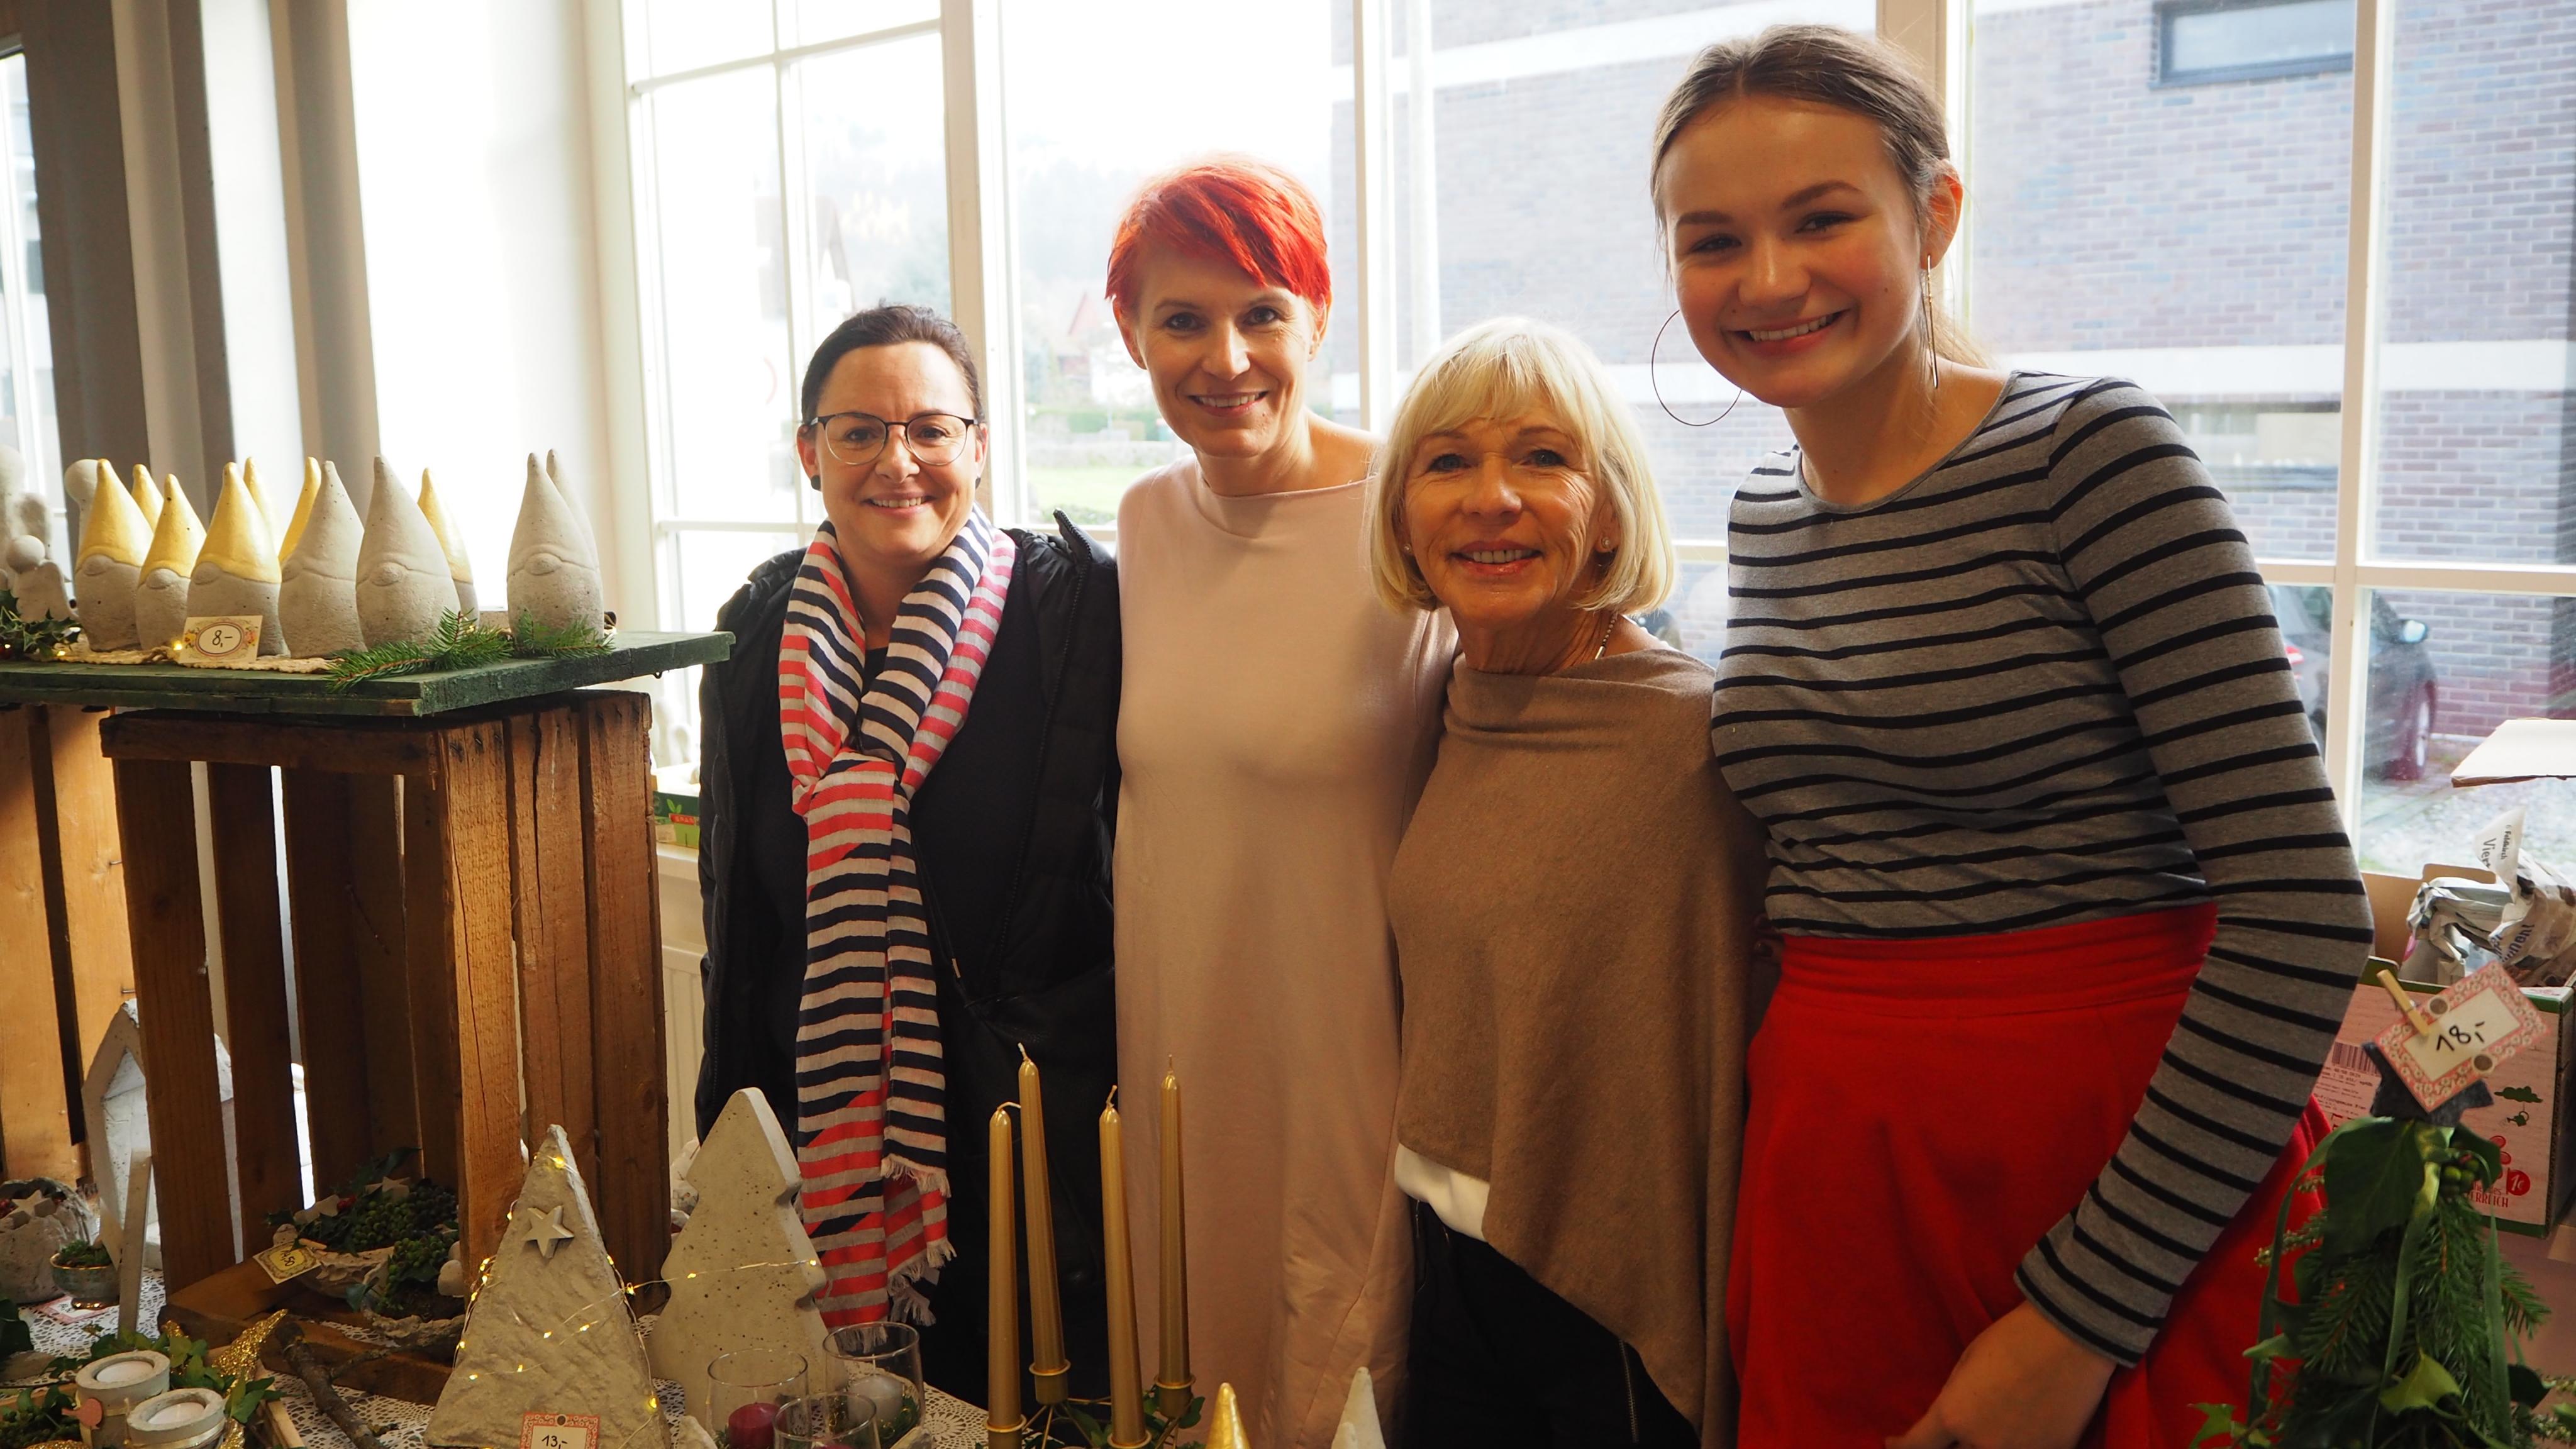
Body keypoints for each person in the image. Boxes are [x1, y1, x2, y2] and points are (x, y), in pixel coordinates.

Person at [1652, 26, 2372, 1449]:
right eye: (1712, 240)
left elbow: (2301, 914)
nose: (1769, 280)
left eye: (1821, 218)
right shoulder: (1761, 515)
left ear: (1933, 216)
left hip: (2116, 1177)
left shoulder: (2088, 455)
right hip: (1836, 1176)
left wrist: (2078, 1321)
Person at [694, 304, 1123, 1403]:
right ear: (810, 452)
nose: (899, 462)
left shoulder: (1070, 617)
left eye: (932, 429)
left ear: (979, 446)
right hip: (817, 1126)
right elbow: (740, 914)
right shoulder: (753, 639)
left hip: (1029, 1146)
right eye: (859, 433)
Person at [1366, 318, 1768, 1449]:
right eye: (1448, 462)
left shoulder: (1691, 739)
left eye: (1543, 458)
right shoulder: (1451, 708)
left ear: (1612, 514)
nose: (1491, 500)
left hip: (1606, 1302)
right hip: (1444, 1258)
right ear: (1403, 518)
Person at [1108, 156, 1453, 1447]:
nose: (1226, 358)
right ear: (1132, 335)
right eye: (1181, 320)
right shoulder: (1143, 524)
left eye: (1262, 312)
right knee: (1185, 1379)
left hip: (1354, 1069)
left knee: (1335, 1386)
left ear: (1319, 318)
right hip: (1176, 1068)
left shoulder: (1412, 511)